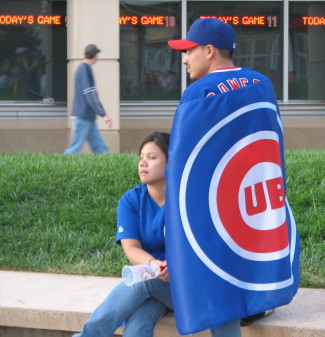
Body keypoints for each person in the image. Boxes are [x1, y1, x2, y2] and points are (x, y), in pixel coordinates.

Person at [73, 132, 244, 337]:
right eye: (141, 158)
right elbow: (131, 248)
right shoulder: (131, 200)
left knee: (144, 282)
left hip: (195, 285)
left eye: (152, 157)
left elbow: (210, 246)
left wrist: (174, 269)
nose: (143, 163)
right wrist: (154, 265)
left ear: (171, 162)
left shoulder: (190, 198)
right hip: (160, 283)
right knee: (138, 324)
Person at [167, 18, 278, 333]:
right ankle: (257, 305)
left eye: (189, 50)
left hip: (214, 202)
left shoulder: (199, 92)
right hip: (258, 193)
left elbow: (181, 161)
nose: (185, 59)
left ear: (210, 50)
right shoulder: (262, 83)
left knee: (218, 283)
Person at [65, 44, 112, 154]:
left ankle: (108, 168)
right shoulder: (85, 69)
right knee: (74, 148)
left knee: (100, 147)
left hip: (87, 116)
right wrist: (103, 114)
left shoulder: (82, 68)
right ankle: (59, 169)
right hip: (83, 117)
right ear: (95, 55)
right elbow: (90, 94)